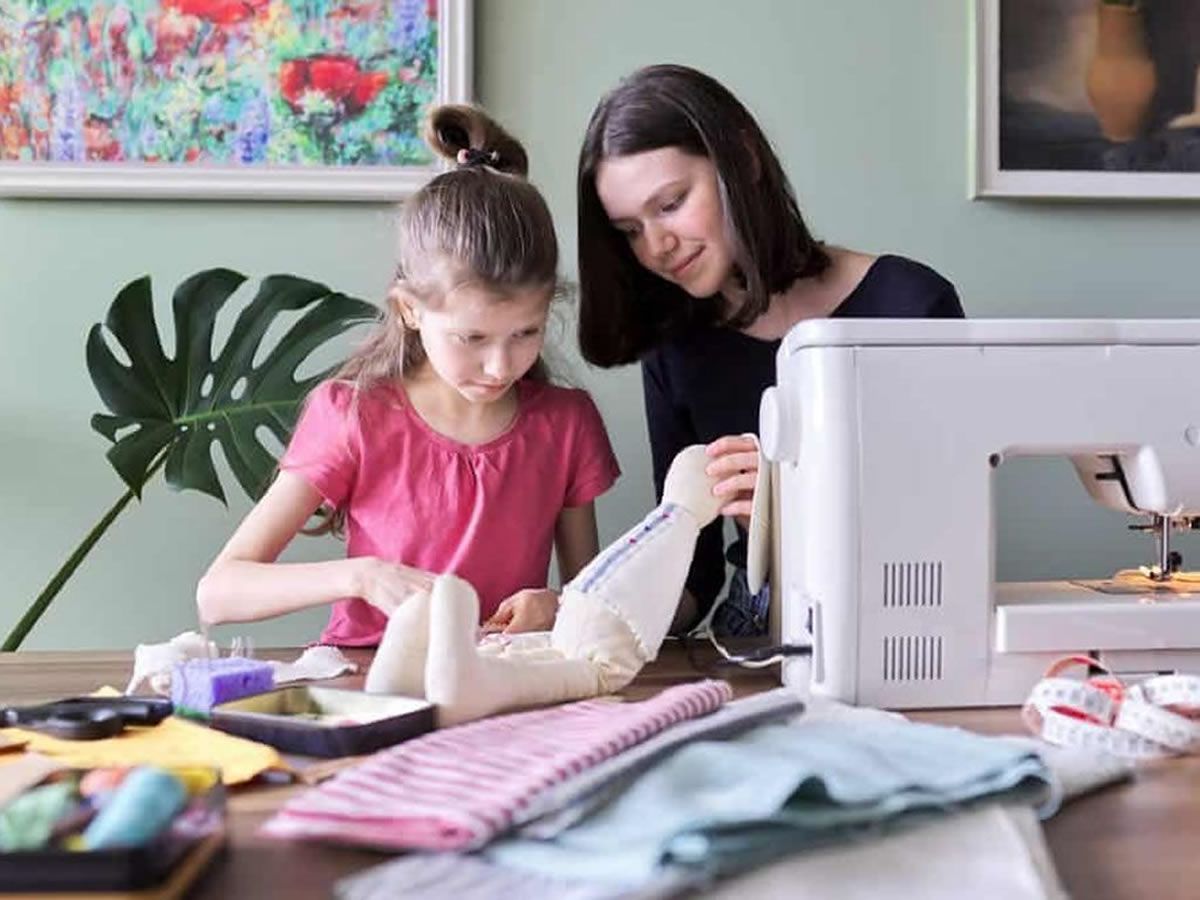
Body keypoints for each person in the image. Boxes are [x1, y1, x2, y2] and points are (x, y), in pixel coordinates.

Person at [197, 105, 620, 646]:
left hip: (506, 689)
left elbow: (597, 602)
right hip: (367, 686)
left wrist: (558, 606)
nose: (500, 367)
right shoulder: (354, 416)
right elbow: (219, 592)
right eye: (472, 338)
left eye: (526, 333)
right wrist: (364, 576)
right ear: (410, 310)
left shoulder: (565, 425)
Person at [575, 64, 963, 636]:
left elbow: (949, 519)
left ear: (744, 159)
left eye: (670, 204)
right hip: (755, 636)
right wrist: (594, 613)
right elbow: (697, 573)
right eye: (630, 230)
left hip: (905, 622)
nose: (656, 246)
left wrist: (798, 492)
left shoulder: (909, 305)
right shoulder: (677, 350)